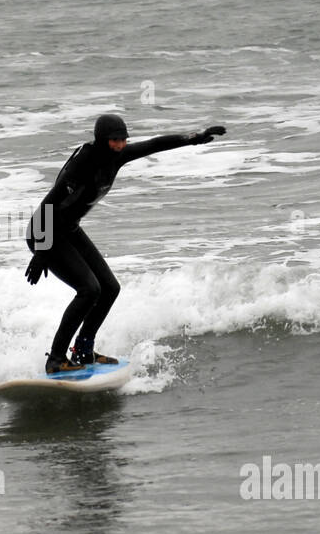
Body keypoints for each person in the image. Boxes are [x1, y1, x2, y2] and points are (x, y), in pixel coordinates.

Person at [25, 114, 226, 375]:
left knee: (109, 288)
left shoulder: (116, 156)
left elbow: (154, 144)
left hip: (68, 229)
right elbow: (48, 205)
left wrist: (193, 138)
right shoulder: (83, 163)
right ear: (101, 140)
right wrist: (41, 251)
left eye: (123, 140)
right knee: (89, 290)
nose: (120, 145)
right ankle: (55, 358)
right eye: (114, 141)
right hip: (46, 231)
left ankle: (84, 349)